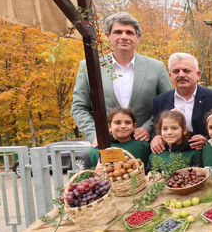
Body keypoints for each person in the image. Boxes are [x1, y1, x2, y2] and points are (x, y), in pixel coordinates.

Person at [71, 12, 170, 144]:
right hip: (107, 145)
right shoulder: (90, 67)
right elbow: (79, 107)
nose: (124, 37)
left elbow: (168, 104)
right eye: (118, 32)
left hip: (147, 144)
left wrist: (148, 127)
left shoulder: (156, 67)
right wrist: (95, 135)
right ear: (108, 36)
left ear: (138, 38)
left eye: (129, 33)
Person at [150, 53, 212, 154]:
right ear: (170, 76)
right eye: (176, 71)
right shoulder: (160, 101)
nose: (181, 75)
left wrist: (208, 139)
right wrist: (156, 136)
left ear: (198, 74)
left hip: (206, 155)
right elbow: (155, 128)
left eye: (186, 70)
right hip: (172, 156)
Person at [87, 107, 151, 168]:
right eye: (118, 123)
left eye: (127, 122)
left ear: (134, 126)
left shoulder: (143, 146)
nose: (123, 126)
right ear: (109, 127)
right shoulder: (98, 149)